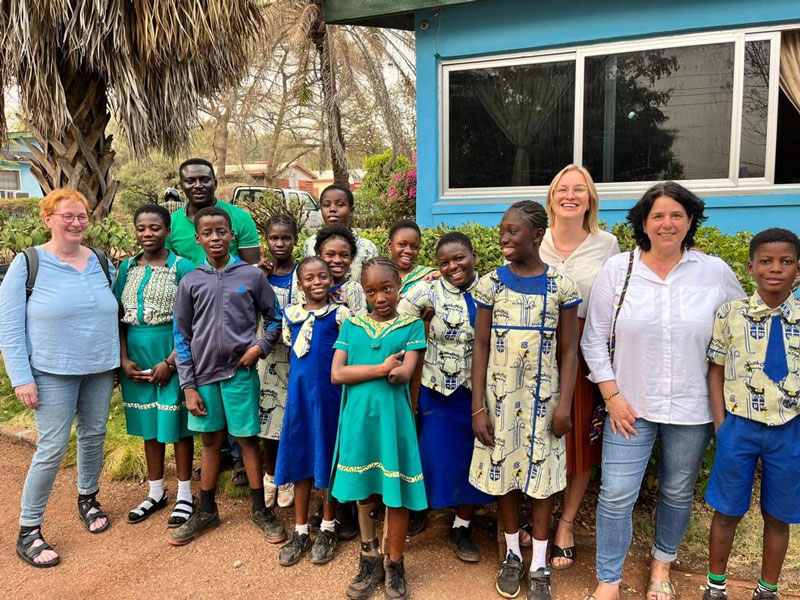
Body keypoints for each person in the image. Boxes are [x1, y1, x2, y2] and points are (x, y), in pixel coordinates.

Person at [580, 182, 745, 600]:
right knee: (617, 493)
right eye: (658, 215)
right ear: (643, 222)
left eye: (677, 215)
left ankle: (660, 566)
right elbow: (593, 338)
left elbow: (740, 333)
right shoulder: (619, 270)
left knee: (675, 491)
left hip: (693, 408)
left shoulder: (715, 272)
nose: (667, 223)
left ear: (690, 221)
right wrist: (611, 395)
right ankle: (608, 580)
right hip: (628, 406)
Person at [0, 189, 119, 568]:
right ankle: (29, 529)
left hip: (99, 368)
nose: (76, 223)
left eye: (82, 216)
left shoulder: (101, 260)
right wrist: (22, 377)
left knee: (94, 434)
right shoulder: (28, 263)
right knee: (51, 449)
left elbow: (111, 310)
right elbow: (10, 327)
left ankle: (88, 497)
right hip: (51, 372)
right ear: (48, 219)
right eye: (67, 216)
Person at [470, 200, 581, 600]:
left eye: (513, 231)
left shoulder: (561, 287)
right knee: (505, 479)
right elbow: (480, 346)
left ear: (537, 235)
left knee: (541, 484)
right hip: (499, 404)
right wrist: (478, 407)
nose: (504, 237)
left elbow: (569, 352)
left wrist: (565, 404)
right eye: (502, 230)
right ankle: (513, 554)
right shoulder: (490, 284)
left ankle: (539, 564)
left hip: (545, 405)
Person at [170, 206, 287, 546]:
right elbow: (182, 336)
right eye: (207, 233)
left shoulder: (251, 276)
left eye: (221, 231)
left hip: (240, 373)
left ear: (231, 234)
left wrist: (260, 348)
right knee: (210, 441)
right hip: (204, 377)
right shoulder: (191, 281)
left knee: (247, 439)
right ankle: (206, 511)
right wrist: (188, 386)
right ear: (198, 239)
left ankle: (260, 511)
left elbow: (275, 318)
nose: (215, 238)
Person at [703, 228, 800, 600]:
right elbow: (715, 369)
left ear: (797, 269)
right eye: (766, 261)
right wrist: (720, 425)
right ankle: (715, 585)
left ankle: (767, 589)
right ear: (750, 267)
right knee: (727, 510)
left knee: (779, 515)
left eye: (786, 262)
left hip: (789, 429)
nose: (775, 269)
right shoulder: (731, 314)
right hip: (739, 426)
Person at [329, 257, 428, 600]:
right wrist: (381, 367)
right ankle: (369, 558)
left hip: (393, 422)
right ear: (364, 293)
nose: (380, 297)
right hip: (358, 421)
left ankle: (395, 564)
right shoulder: (352, 326)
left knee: (394, 493)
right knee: (363, 490)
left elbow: (404, 373)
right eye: (371, 291)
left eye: (386, 289)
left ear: (399, 286)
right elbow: (337, 374)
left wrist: (393, 370)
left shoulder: (411, 326)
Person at [538, 165, 619, 570]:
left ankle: (565, 525)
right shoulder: (536, 240)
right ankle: (534, 522)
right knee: (535, 434)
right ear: (551, 197)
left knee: (579, 442)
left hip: (585, 352)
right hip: (534, 350)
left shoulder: (607, 245)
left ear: (590, 200)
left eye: (580, 190)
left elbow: (616, 303)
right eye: (563, 189)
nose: (571, 195)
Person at [166, 157, 261, 485]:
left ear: (214, 181)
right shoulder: (174, 223)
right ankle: (216, 457)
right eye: (190, 181)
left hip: (234, 318)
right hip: (195, 313)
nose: (197, 185)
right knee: (208, 401)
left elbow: (252, 270)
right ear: (182, 186)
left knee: (237, 393)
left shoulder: (238, 218)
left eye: (203, 179)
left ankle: (239, 459)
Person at [398, 231, 492, 563]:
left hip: (476, 394)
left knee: (471, 460)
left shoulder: (492, 288)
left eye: (459, 258)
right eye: (444, 262)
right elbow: (395, 318)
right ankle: (419, 510)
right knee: (430, 455)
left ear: (474, 255)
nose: (453, 266)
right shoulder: (429, 290)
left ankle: (461, 526)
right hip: (436, 392)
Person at [114, 204, 196, 527]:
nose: (147, 234)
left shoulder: (182, 268)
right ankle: (156, 491)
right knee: (150, 426)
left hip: (172, 350)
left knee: (177, 426)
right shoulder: (127, 269)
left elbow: (194, 322)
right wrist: (123, 359)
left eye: (155, 228)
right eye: (141, 228)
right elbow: (117, 316)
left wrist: (172, 363)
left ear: (168, 231)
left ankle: (186, 495)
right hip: (136, 354)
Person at [275, 257, 352, 567]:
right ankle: (300, 529)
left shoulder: (340, 315)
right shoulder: (290, 315)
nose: (318, 282)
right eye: (310, 277)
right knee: (301, 458)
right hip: (299, 400)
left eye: (323, 276)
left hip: (329, 399)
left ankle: (329, 527)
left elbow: (349, 353)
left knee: (327, 459)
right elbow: (290, 346)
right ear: (300, 283)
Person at [258, 214, 300, 510]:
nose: (280, 243)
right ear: (267, 241)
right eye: (274, 238)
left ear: (295, 240)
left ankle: (289, 477)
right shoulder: (259, 275)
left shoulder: (304, 273)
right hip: (266, 357)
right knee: (269, 420)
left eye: (286, 238)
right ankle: (270, 476)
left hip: (298, 356)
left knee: (292, 421)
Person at [303, 183, 379, 282]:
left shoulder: (367, 248)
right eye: (326, 205)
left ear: (351, 210)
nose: (332, 209)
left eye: (340, 205)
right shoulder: (310, 243)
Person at [315, 224, 367, 315]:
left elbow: (359, 322)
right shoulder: (310, 287)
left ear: (352, 258)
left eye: (344, 255)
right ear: (319, 256)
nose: (337, 260)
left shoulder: (354, 289)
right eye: (330, 254)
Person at [388, 219, 435, 296]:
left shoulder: (429, 276)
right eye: (402, 245)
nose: (408, 251)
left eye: (414, 247)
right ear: (390, 245)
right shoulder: (378, 273)